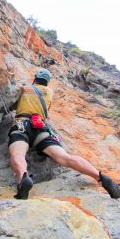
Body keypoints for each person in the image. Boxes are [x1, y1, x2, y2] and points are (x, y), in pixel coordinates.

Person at [8, 68, 120, 200]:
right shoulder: (49, 92)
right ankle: (101, 177)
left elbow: (12, 103)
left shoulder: (25, 88)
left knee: (18, 154)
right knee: (65, 157)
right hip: (42, 128)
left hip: (23, 125)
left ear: (35, 78)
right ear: (47, 82)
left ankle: (23, 178)